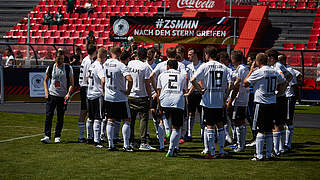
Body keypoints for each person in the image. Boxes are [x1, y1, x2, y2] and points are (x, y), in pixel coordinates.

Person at [190, 46, 232, 159]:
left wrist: (200, 90)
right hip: (219, 100)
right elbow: (231, 83)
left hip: (208, 100)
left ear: (207, 54)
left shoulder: (204, 66)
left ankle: (212, 152)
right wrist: (225, 96)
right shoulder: (224, 67)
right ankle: (222, 151)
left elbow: (192, 80)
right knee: (220, 125)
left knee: (209, 126)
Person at [244, 53, 286, 161]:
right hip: (272, 102)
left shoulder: (258, 72)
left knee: (260, 130)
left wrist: (251, 71)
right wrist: (278, 93)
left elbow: (245, 83)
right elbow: (283, 80)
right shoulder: (274, 71)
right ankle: (268, 153)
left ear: (258, 61)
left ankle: (259, 155)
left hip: (261, 103)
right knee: (269, 129)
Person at [149, 47, 187, 150]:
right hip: (177, 96)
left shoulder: (161, 65)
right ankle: (175, 146)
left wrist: (157, 90)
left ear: (166, 54)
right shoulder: (181, 65)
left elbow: (151, 75)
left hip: (163, 94)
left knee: (162, 120)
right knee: (176, 125)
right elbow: (186, 77)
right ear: (176, 54)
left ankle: (162, 145)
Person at [41, 50, 74, 144]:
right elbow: (45, 80)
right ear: (55, 58)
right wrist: (46, 92)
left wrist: (68, 93)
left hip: (63, 96)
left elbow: (72, 83)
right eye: (59, 58)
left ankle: (57, 136)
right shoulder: (51, 67)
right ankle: (47, 136)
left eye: (62, 58)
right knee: (48, 116)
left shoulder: (68, 68)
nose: (61, 60)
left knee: (60, 117)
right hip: (52, 95)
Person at [104, 46, 133, 152]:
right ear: (119, 54)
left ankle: (110, 144)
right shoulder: (121, 65)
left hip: (108, 95)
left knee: (110, 120)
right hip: (120, 96)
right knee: (127, 119)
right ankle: (126, 145)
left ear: (110, 53)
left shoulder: (106, 63)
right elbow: (129, 79)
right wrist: (128, 91)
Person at [157, 60, 187, 157]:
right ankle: (172, 149)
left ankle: (162, 145)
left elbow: (159, 91)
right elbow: (183, 90)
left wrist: (159, 105)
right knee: (176, 127)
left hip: (165, 99)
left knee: (161, 120)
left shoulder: (161, 75)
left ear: (168, 66)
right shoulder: (182, 76)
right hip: (178, 100)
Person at [266, 49, 292, 156]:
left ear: (271, 58)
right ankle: (281, 148)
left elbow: (283, 77)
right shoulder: (280, 65)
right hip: (282, 97)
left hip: (277, 98)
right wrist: (285, 87)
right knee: (280, 123)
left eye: (267, 57)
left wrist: (280, 91)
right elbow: (289, 76)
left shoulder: (276, 66)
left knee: (275, 124)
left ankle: (276, 150)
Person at [127, 48, 154, 150]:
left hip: (131, 95)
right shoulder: (145, 66)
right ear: (146, 56)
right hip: (142, 96)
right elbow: (147, 83)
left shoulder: (130, 63)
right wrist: (150, 96)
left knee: (131, 120)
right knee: (143, 119)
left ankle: (130, 140)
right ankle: (143, 142)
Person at [226, 50, 250, 153]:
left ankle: (241, 146)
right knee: (236, 122)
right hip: (239, 98)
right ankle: (238, 143)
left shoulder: (241, 69)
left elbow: (237, 86)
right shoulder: (239, 69)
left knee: (239, 122)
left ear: (234, 58)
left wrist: (230, 100)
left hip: (240, 99)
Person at [85, 48, 107, 148]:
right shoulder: (99, 67)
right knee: (98, 118)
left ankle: (89, 137)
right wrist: (103, 91)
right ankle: (97, 141)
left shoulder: (91, 64)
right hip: (97, 94)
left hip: (89, 93)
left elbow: (86, 78)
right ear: (103, 57)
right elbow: (103, 80)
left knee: (90, 117)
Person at [279, 54, 299, 152]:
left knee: (288, 120)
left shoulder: (289, 70)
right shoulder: (283, 69)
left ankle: (288, 144)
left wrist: (297, 97)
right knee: (281, 120)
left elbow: (295, 85)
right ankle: (282, 144)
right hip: (283, 97)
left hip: (288, 97)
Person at [78, 44, 96, 143]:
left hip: (83, 86)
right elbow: (87, 78)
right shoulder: (89, 62)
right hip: (86, 87)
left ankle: (86, 135)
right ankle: (84, 136)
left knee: (85, 111)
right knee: (86, 111)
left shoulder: (85, 59)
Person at [185, 48, 203, 142]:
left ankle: (202, 134)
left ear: (195, 55)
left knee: (201, 114)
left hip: (200, 92)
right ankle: (189, 134)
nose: (188, 56)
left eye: (190, 54)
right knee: (190, 113)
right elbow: (187, 79)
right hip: (191, 92)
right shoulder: (188, 66)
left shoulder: (202, 65)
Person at [246, 52, 258, 147]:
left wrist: (251, 70)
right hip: (249, 94)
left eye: (249, 61)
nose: (248, 62)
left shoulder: (256, 71)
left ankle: (256, 136)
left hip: (252, 94)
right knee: (249, 116)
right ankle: (255, 135)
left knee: (253, 116)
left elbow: (246, 82)